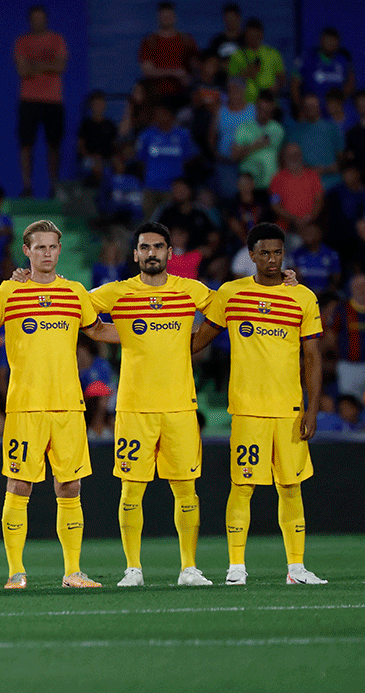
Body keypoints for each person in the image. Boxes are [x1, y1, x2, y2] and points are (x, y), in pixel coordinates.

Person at [0, 220, 119, 589]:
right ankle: (15, 573)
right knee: (19, 485)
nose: (47, 254)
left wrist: (155, 336)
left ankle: (73, 571)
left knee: (70, 487)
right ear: (27, 250)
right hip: (25, 407)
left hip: (69, 405)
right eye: (40, 248)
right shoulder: (8, 292)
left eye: (53, 247)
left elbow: (99, 329)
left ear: (60, 248)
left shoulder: (74, 291)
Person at [78, 223, 214, 586]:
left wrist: (283, 282)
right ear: (135, 254)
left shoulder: (190, 290)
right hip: (134, 407)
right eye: (144, 247)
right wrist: (34, 282)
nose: (151, 253)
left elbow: (231, 303)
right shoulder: (119, 292)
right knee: (131, 488)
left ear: (170, 253)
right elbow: (75, 304)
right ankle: (133, 569)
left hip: (180, 407)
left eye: (158, 247)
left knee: (186, 488)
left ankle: (189, 568)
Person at [192, 222, 326, 585]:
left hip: (289, 410)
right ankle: (236, 567)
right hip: (248, 408)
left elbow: (313, 357)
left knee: (291, 487)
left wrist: (312, 409)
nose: (271, 259)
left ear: (285, 254)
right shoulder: (231, 293)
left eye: (277, 252)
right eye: (264, 252)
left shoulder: (303, 297)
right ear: (250, 255)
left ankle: (296, 568)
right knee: (243, 486)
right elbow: (197, 341)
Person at [13, 5, 68, 198]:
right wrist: (47, 66)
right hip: (29, 99)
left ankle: (54, 186)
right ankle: (27, 187)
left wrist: (34, 66)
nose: (38, 22)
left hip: (53, 100)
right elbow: (22, 71)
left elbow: (60, 66)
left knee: (54, 145)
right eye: (34, 18)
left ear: (45, 19)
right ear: (30, 21)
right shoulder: (23, 42)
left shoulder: (57, 39)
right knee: (26, 145)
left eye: (40, 18)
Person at [329, 273, 365, 400]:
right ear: (351, 288)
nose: (362, 289)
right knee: (350, 402)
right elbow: (332, 336)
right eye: (358, 286)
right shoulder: (342, 309)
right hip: (349, 366)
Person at [138, 2, 198, 103]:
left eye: (169, 16)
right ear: (158, 18)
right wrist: (173, 72)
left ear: (174, 17)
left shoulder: (186, 40)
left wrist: (189, 79)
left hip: (182, 96)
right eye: (163, 16)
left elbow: (196, 67)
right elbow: (147, 71)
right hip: (156, 97)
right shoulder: (150, 41)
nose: (166, 19)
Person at [288, 93, 343, 191]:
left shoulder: (332, 128)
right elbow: (291, 159)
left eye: (313, 105)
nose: (310, 108)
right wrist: (310, 170)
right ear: (303, 108)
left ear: (319, 107)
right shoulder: (295, 132)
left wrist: (326, 170)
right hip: (306, 186)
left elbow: (341, 157)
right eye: (307, 106)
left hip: (334, 185)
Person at [231, 90, 284, 191]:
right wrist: (255, 145)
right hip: (249, 186)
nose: (263, 114)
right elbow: (234, 156)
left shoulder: (278, 129)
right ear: (256, 107)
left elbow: (281, 157)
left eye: (266, 111)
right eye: (260, 109)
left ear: (272, 109)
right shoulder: (244, 128)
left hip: (272, 184)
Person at [293, 27, 354, 112]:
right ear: (321, 41)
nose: (330, 43)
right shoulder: (307, 58)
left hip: (335, 114)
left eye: (333, 41)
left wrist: (339, 104)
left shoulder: (343, 60)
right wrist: (300, 108)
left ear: (338, 43)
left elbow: (350, 84)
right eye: (327, 40)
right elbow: (294, 85)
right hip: (312, 113)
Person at [268, 142, 324, 231]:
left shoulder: (313, 176)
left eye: (296, 154)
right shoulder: (277, 179)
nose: (293, 157)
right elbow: (275, 205)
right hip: (287, 226)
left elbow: (319, 200)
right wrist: (294, 219)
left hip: (311, 224)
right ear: (284, 157)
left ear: (301, 156)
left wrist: (310, 218)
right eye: (289, 155)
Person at [228, 19, 285, 102]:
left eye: (255, 36)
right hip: (246, 105)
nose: (253, 38)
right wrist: (246, 73)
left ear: (261, 35)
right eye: (250, 35)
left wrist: (277, 87)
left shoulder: (273, 53)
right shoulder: (237, 55)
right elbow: (231, 81)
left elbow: (282, 78)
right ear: (245, 35)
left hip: (268, 103)